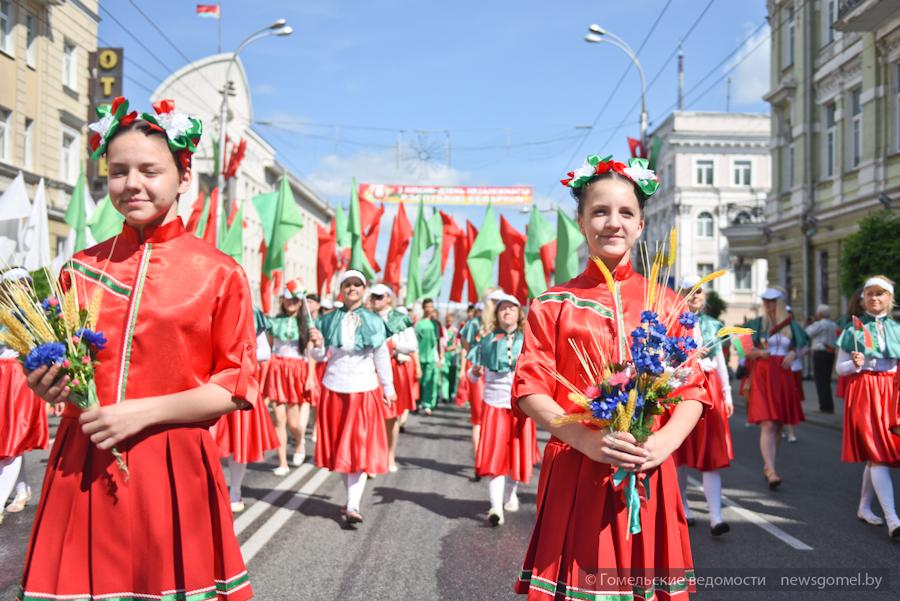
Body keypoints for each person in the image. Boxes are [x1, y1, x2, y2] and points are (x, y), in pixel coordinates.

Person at [19, 97, 256, 599]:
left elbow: (235, 386)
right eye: (119, 171)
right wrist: (45, 384)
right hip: (82, 459)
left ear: (183, 176)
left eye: (150, 170)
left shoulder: (219, 272)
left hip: (173, 464)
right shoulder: (80, 268)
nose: (133, 184)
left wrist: (140, 413)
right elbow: (63, 374)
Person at [512, 154, 707, 599]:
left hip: (649, 467)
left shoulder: (665, 301)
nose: (612, 223)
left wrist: (662, 443)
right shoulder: (553, 303)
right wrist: (583, 438)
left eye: (626, 213)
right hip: (577, 467)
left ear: (641, 224)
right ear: (581, 220)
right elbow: (530, 385)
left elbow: (693, 388)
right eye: (599, 211)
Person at [309, 270, 396, 525]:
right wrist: (315, 345)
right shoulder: (327, 319)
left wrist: (388, 388)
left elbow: (381, 356)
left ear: (364, 289)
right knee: (340, 450)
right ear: (342, 289)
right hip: (334, 388)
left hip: (363, 389)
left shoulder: (374, 320)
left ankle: (353, 504)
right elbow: (319, 357)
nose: (352, 289)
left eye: (357, 284)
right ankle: (350, 500)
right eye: (348, 284)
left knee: (357, 447)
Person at [835, 275, 900, 538]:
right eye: (870, 293)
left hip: (892, 392)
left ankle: (864, 506)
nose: (875, 298)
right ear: (863, 298)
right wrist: (856, 363)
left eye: (880, 293)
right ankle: (893, 519)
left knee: (880, 455)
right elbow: (840, 369)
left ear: (889, 298)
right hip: (865, 392)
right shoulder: (853, 331)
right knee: (876, 453)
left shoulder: (897, 329)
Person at [467, 292, 539, 526]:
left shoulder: (529, 340)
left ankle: (510, 494)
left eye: (512, 308)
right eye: (502, 308)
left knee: (516, 456)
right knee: (496, 458)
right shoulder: (487, 341)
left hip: (522, 407)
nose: (507, 311)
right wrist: (475, 372)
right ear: (497, 315)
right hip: (495, 406)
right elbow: (472, 375)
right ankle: (495, 506)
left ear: (519, 314)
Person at [674, 276, 734, 536]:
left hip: (710, 388)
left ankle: (715, 517)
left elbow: (721, 362)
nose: (694, 295)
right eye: (689, 291)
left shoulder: (712, 325)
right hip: (684, 387)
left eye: (698, 291)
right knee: (681, 453)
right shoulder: (673, 323)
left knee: (711, 453)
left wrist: (728, 394)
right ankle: (684, 507)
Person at [215, 305, 279, 512]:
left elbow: (264, 352)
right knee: (207, 442)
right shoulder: (210, 301)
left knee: (238, 444)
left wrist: (238, 356)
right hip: (210, 385)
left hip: (240, 387)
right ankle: (210, 489)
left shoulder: (253, 311)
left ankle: (235, 491)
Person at [744, 287, 809, 488]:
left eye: (772, 301)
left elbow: (805, 344)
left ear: (780, 303)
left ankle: (769, 465)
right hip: (763, 374)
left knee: (779, 424)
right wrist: (757, 353)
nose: (768, 305)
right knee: (768, 423)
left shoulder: (791, 325)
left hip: (783, 374)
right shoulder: (757, 324)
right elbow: (744, 349)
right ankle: (770, 469)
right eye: (765, 301)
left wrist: (795, 354)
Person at [0, 268, 49, 526]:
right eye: (14, 285)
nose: (22, 288)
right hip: (2, 376)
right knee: (6, 442)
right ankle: (21, 490)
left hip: (20, 376)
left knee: (14, 438)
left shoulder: (36, 312)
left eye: (24, 283)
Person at [262, 281, 317, 476]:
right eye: (288, 299)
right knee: (279, 419)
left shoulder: (307, 323)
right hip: (277, 369)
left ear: (300, 302)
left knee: (294, 423)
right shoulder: (274, 322)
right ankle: (283, 461)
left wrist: (310, 376)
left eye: (295, 299)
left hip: (296, 371)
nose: (291, 303)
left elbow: (311, 352)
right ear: (283, 300)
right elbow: (268, 348)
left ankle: (299, 442)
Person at [369, 283, 419, 473]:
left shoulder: (399, 319)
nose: (375, 300)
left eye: (379, 297)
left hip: (394, 369)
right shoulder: (367, 317)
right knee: (373, 416)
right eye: (373, 296)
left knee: (392, 417)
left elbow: (412, 345)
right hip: (372, 370)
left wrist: (393, 345)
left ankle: (389, 455)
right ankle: (373, 458)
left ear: (388, 298)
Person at [459, 302, 486, 463]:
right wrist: (472, 355)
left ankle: (483, 458)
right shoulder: (474, 323)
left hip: (493, 374)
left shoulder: (497, 325)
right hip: (477, 372)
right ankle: (479, 460)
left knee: (486, 419)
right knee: (478, 419)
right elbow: (464, 342)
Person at [805, 304, 838, 414]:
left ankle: (824, 407)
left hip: (820, 353)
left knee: (820, 380)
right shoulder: (834, 325)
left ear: (820, 314)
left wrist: (810, 322)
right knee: (826, 380)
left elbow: (807, 333)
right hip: (831, 353)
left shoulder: (819, 324)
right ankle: (829, 405)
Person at [415, 298, 443, 416]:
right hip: (420, 356)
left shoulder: (435, 324)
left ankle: (427, 404)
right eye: (427, 306)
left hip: (431, 357)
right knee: (419, 381)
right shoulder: (419, 324)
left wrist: (440, 356)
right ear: (423, 308)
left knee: (429, 381)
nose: (429, 309)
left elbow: (438, 341)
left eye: (431, 306)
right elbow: (415, 342)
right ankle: (417, 402)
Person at [441, 313, 461, 404]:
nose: (449, 321)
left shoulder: (455, 331)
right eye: (447, 319)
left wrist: (449, 348)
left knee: (453, 376)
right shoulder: (442, 330)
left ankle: (451, 394)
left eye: (450, 320)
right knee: (445, 375)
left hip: (453, 355)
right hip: (444, 355)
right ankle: (445, 396)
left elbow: (457, 344)